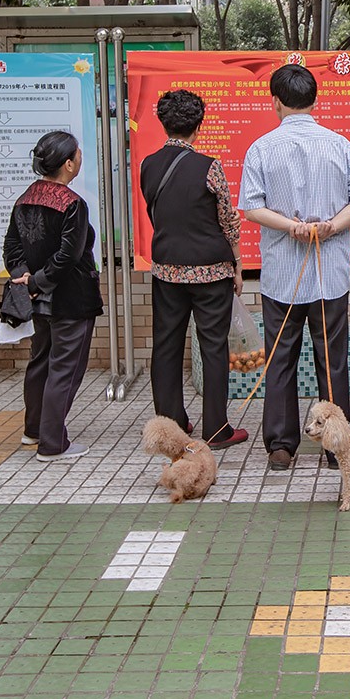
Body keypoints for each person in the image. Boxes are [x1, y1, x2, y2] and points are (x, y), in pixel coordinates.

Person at [240, 64, 350, 472]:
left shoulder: (262, 147)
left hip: (281, 272)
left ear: (275, 101)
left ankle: (281, 446)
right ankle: (335, 447)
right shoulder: (340, 144)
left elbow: (252, 208)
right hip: (330, 270)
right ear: (315, 100)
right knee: (332, 359)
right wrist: (332, 224)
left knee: (280, 357)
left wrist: (292, 226)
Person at [140, 89, 247, 449]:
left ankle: (170, 427)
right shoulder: (209, 166)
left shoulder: (148, 165)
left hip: (167, 270)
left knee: (166, 345)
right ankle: (217, 429)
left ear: (163, 123)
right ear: (198, 126)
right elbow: (228, 221)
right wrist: (238, 262)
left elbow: (158, 213)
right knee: (213, 346)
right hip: (211, 271)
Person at [3, 131, 103, 462]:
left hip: (35, 301)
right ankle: (52, 443)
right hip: (71, 298)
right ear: (68, 163)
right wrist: (39, 282)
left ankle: (33, 431)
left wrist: (25, 279)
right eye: (78, 156)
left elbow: (11, 248)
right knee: (65, 368)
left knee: (40, 362)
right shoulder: (72, 204)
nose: (80, 161)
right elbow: (69, 255)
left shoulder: (24, 199)